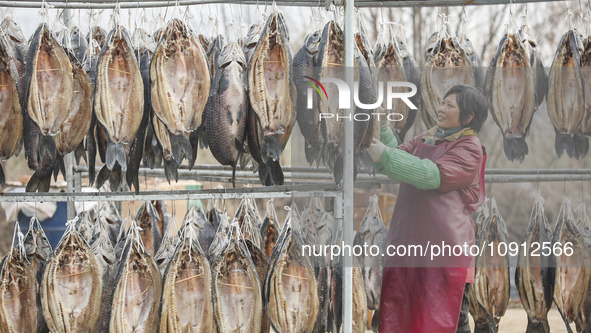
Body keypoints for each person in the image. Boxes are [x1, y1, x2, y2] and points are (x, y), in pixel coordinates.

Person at [368, 84, 488, 333]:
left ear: (468, 117)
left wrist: (385, 156)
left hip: (445, 254)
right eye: (442, 102)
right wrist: (383, 128)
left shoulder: (469, 147)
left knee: (449, 321)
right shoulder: (429, 136)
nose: (440, 109)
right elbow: (398, 156)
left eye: (449, 105)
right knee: (406, 317)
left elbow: (430, 175)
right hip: (410, 248)